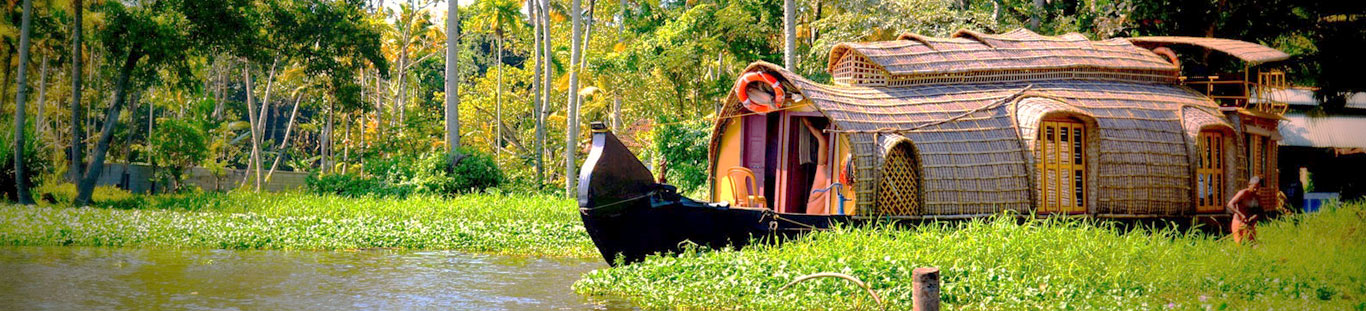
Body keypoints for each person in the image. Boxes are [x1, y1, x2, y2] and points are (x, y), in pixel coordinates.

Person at [802, 119, 831, 215]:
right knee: (824, 197)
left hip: (822, 169)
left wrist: (805, 121)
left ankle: (811, 215)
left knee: (815, 198)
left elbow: (812, 128)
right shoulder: (833, 142)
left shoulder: (823, 140)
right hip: (830, 171)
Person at [1226, 176, 1263, 244]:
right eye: (1254, 187)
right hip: (1239, 222)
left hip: (1249, 224)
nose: (1255, 190)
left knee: (1252, 243)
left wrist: (1255, 216)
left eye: (1258, 188)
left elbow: (1260, 211)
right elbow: (1230, 204)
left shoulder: (1257, 197)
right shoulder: (1243, 193)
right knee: (1240, 244)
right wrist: (1241, 215)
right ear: (1249, 185)